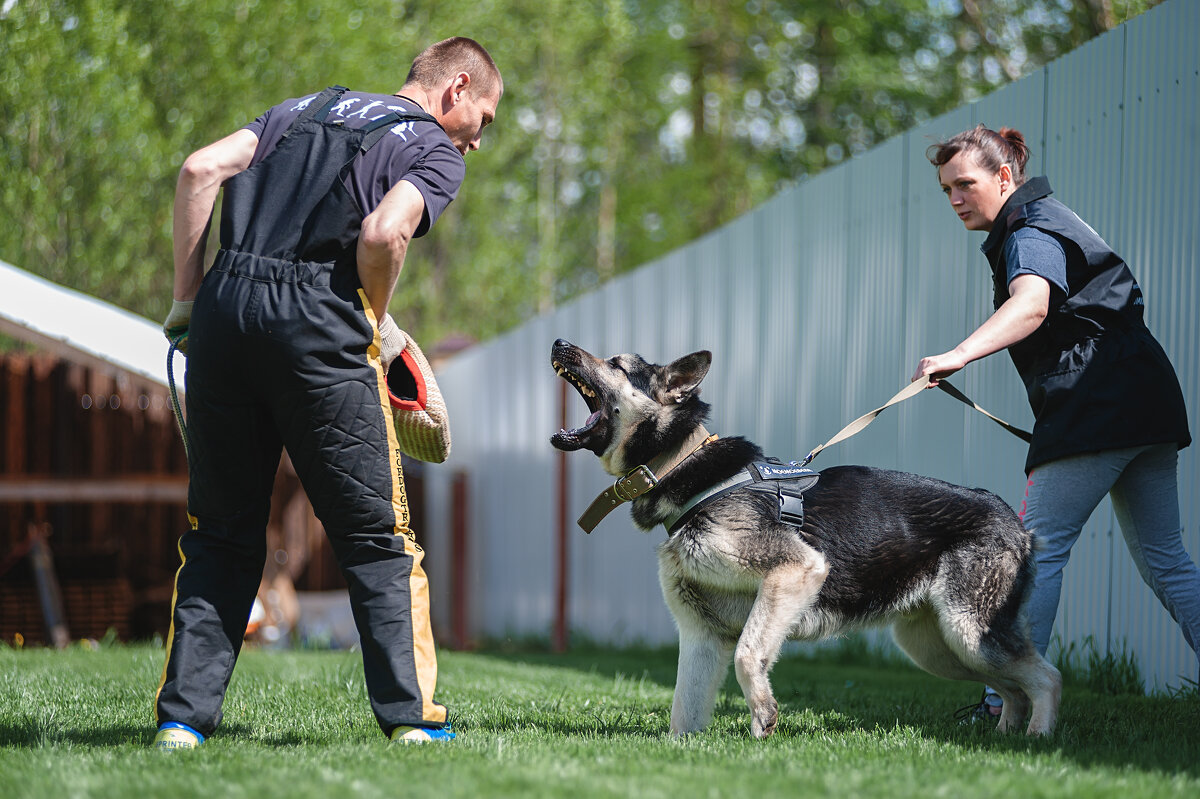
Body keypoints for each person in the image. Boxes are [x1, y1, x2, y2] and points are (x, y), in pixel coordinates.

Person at [152, 37, 502, 749]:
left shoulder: (304, 107)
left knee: (220, 531)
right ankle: (411, 720)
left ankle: (181, 722)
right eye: (485, 120)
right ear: (456, 87)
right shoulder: (431, 145)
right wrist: (370, 322)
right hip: (320, 323)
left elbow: (198, 170)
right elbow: (382, 232)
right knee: (379, 538)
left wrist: (189, 304)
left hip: (225, 313)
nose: (477, 143)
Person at [913, 124, 1198, 721]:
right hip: (1145, 400)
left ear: (1004, 177)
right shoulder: (1046, 216)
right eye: (946, 190)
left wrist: (958, 355)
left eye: (966, 183)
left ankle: (1004, 702)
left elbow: (1032, 303)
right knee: (1166, 560)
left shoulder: (1032, 230)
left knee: (1034, 553)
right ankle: (1009, 696)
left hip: (1097, 405)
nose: (957, 199)